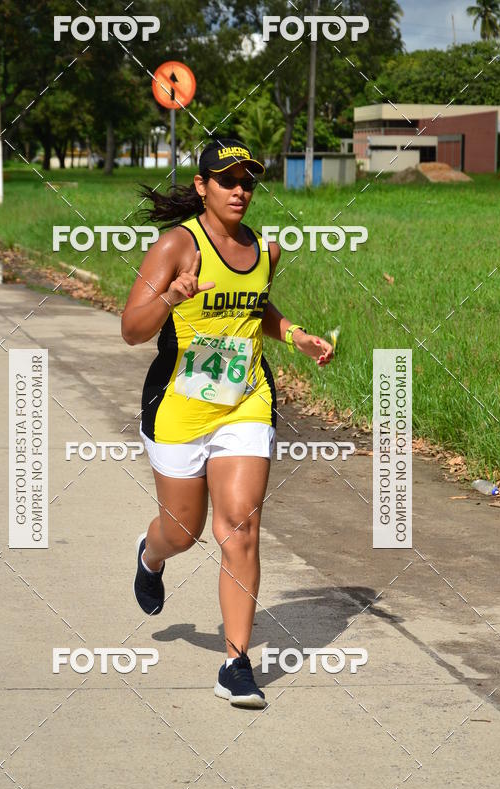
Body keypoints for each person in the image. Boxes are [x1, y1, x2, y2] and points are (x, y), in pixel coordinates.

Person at [121, 137, 333, 708]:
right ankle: (151, 554)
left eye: (248, 182)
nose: (240, 191)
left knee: (239, 527)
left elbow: (254, 303)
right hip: (179, 403)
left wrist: (294, 334)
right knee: (183, 531)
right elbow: (132, 329)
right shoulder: (176, 246)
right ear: (202, 187)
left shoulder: (266, 248)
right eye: (227, 180)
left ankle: (236, 664)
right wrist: (169, 296)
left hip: (245, 398)